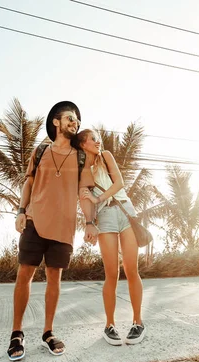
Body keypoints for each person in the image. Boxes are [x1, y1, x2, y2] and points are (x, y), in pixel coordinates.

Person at [7, 101, 98, 362]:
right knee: (24, 275)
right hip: (35, 221)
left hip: (64, 227)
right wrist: (21, 211)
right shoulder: (41, 151)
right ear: (56, 122)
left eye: (78, 121)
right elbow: (29, 182)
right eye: (70, 118)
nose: (75, 123)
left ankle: (48, 332)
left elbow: (85, 193)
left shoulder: (81, 157)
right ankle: (16, 333)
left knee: (54, 280)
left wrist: (90, 222)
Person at [74, 129, 146, 346]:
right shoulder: (81, 170)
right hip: (105, 218)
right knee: (111, 274)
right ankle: (110, 325)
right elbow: (84, 198)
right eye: (93, 138)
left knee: (131, 269)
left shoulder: (106, 156)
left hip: (125, 211)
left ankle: (137, 322)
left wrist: (99, 198)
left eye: (98, 138)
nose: (98, 141)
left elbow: (119, 183)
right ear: (82, 143)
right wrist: (90, 223)